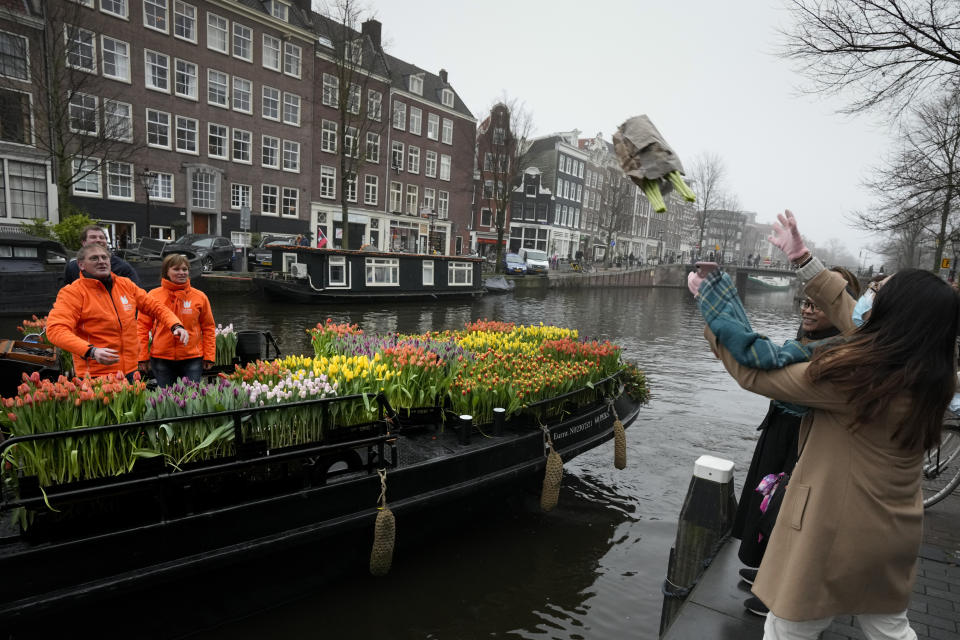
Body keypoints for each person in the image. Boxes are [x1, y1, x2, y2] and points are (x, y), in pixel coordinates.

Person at [693, 210, 958, 640]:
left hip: (831, 536)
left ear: (892, 315)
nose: (868, 296)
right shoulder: (937, 374)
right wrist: (804, 260)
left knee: (787, 629)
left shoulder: (856, 379)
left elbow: (755, 375)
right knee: (890, 628)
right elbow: (859, 319)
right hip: (894, 531)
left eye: (878, 292)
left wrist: (712, 312)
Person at [730, 266, 860, 617]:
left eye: (816, 305)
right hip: (781, 425)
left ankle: (780, 594)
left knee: (789, 510)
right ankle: (765, 567)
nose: (807, 310)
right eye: (805, 303)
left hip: (808, 433)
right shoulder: (804, 336)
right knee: (766, 499)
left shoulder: (839, 348)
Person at [48, 243, 189, 380]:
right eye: (94, 258)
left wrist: (175, 325)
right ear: (81, 265)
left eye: (104, 257)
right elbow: (55, 330)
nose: (101, 261)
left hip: (131, 370)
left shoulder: (125, 285)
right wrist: (91, 351)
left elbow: (155, 307)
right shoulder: (73, 293)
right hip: (97, 374)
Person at [138, 253, 215, 386]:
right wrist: (142, 357)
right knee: (167, 400)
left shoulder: (200, 297)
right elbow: (141, 327)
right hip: (162, 358)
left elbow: (208, 328)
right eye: (176, 269)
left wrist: (209, 356)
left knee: (191, 398)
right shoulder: (153, 296)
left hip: (192, 358)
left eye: (184, 269)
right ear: (166, 272)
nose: (181, 273)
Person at [63, 225, 141, 287]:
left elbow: (136, 294)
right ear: (84, 242)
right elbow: (65, 293)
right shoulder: (72, 267)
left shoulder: (122, 267)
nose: (98, 240)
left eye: (102, 237)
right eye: (93, 237)